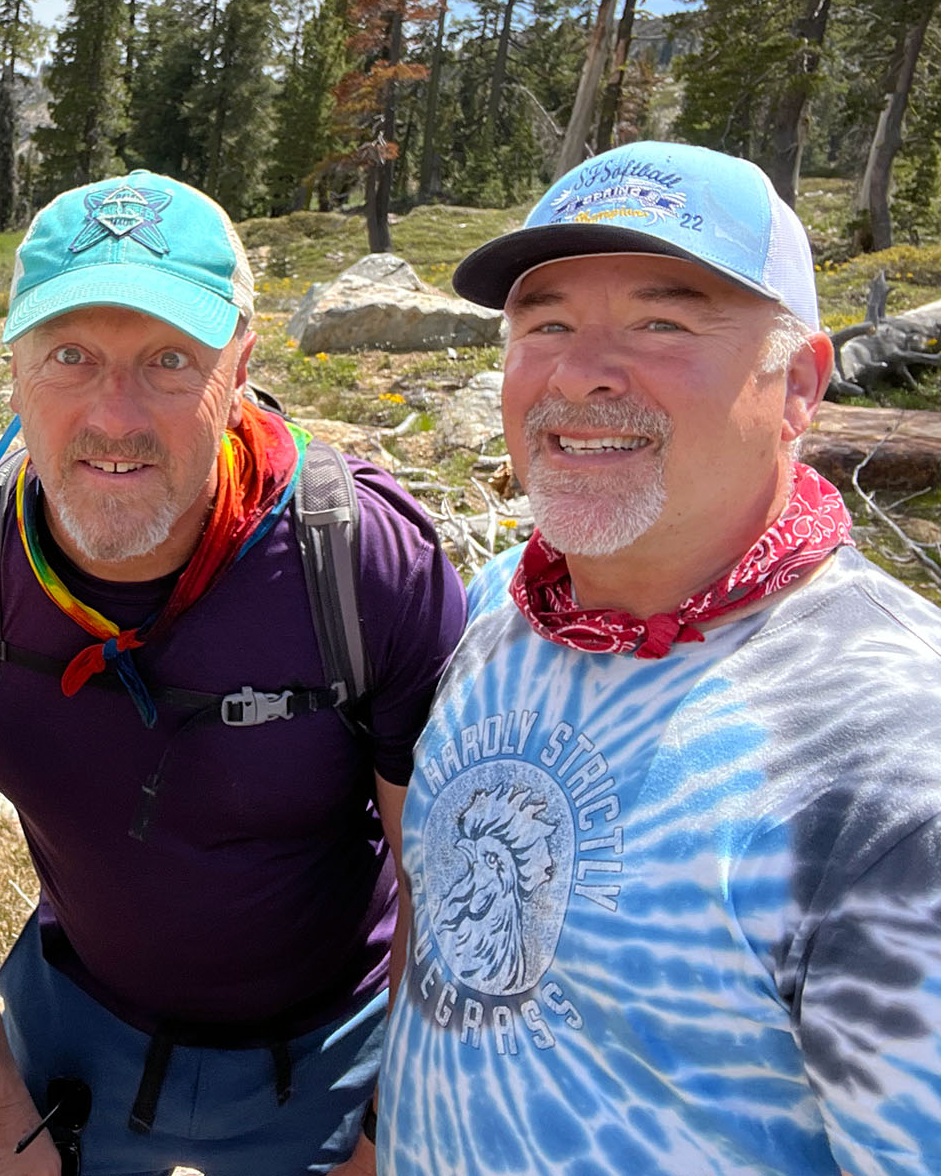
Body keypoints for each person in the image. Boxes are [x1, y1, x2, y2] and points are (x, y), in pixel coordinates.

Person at [0, 172, 466, 1176]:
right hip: (71, 1037)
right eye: (69, 356)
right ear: (12, 370)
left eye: (167, 361)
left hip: (339, 1051)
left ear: (238, 366)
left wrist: (387, 1119)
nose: (115, 416)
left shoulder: (359, 560)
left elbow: (440, 872)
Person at [378, 142, 941, 1174]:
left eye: (661, 322)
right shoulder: (497, 609)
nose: (579, 371)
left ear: (799, 384)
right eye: (542, 324)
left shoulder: (894, 759)